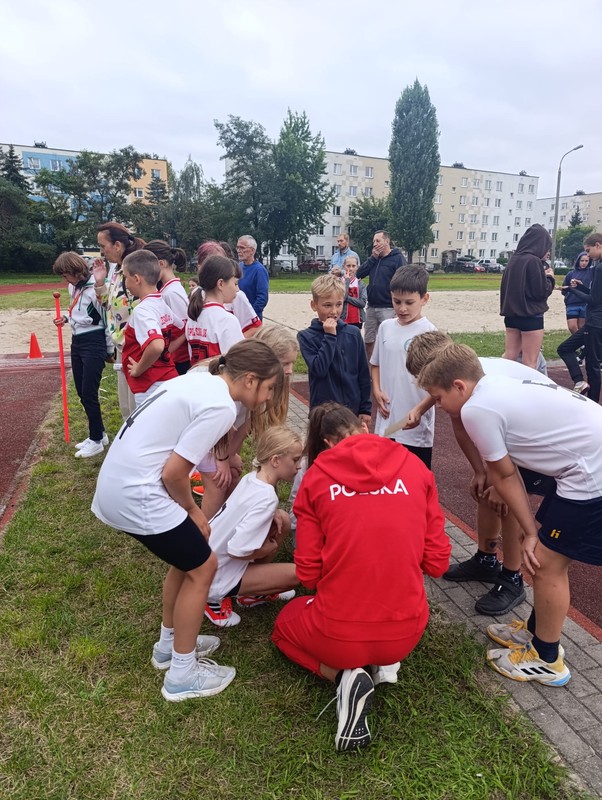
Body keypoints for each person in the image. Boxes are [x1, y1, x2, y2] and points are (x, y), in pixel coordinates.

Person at [91, 339, 284, 702]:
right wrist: (193, 512)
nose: (270, 398)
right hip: (138, 493)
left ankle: (169, 647)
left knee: (188, 561)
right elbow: (174, 473)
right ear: (249, 380)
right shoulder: (221, 406)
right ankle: (182, 674)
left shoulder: (198, 380)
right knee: (203, 565)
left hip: (119, 484)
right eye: (270, 388)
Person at [417, 343, 602, 686]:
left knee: (546, 564)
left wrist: (529, 532)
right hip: (584, 463)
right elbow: (506, 473)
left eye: (438, 398)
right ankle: (536, 632)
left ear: (459, 386)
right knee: (548, 558)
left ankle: (546, 659)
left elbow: (503, 475)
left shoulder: (476, 409)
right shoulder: (489, 378)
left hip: (591, 473)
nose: (437, 406)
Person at [272, 403, 451, 751]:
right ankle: (374, 666)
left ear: (326, 442)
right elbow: (439, 563)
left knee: (283, 627)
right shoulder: (415, 467)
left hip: (337, 631)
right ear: (364, 428)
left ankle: (344, 677)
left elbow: (308, 575)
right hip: (405, 631)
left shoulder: (316, 479)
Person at [405, 331, 556, 615]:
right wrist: (479, 471)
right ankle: (486, 559)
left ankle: (513, 577)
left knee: (507, 501)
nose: (431, 396)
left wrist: (498, 482)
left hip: (536, 438)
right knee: (487, 488)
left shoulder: (487, 390)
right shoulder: (463, 377)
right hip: (512, 430)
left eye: (433, 391)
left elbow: (508, 457)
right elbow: (460, 425)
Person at [204, 426, 302, 628]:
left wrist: (272, 515)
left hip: (208, 561)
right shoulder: (266, 497)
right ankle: (212, 600)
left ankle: (254, 593)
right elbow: (237, 550)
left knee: (282, 519)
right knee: (297, 574)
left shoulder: (252, 478)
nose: (299, 466)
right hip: (216, 576)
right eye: (295, 459)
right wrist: (267, 548)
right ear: (275, 460)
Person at [186, 255, 245, 520]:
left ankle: (226, 524)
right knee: (217, 483)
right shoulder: (226, 320)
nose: (237, 289)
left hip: (197, 399)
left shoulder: (195, 316)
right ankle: (207, 537)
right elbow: (239, 366)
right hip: (219, 406)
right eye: (235, 282)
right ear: (221, 284)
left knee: (229, 471)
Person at [370, 265, 436, 468]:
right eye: (396, 301)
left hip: (414, 428)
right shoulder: (386, 327)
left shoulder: (430, 333)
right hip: (387, 423)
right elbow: (376, 364)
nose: (402, 308)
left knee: (414, 482)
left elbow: (439, 386)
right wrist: (377, 390)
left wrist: (419, 409)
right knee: (384, 479)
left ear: (425, 299)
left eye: (409, 302)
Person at [52, 252, 113, 458]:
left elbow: (104, 318)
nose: (64, 280)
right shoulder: (73, 287)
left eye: (65, 275)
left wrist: (109, 348)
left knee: (89, 392)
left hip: (94, 342)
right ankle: (100, 433)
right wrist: (66, 318)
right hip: (77, 341)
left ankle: (96, 440)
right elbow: (80, 313)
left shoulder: (93, 290)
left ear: (75, 271)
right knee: (81, 391)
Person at [297, 274, 371, 426]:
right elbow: (319, 369)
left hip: (352, 410)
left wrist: (365, 408)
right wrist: (330, 336)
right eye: (327, 305)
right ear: (314, 305)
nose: (334, 311)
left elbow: (363, 373)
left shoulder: (353, 333)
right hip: (323, 413)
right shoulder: (306, 336)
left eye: (339, 304)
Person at [94, 222, 145, 419]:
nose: (101, 252)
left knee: (135, 405)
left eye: (102, 246)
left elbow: (141, 309)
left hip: (135, 348)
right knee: (125, 405)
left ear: (117, 245)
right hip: (122, 347)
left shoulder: (133, 272)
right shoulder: (117, 271)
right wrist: (100, 284)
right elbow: (113, 305)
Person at [121, 251, 182, 406]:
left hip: (150, 385)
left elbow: (156, 345)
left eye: (126, 277)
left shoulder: (143, 310)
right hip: (167, 378)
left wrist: (138, 369)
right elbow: (182, 330)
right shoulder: (160, 302)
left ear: (136, 279)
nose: (125, 283)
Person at [499, 224, 555, 369]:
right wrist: (549, 278)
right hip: (531, 316)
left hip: (511, 315)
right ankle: (526, 390)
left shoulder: (513, 260)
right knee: (529, 362)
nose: (547, 252)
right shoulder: (533, 261)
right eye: (546, 247)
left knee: (509, 356)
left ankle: (503, 385)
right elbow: (540, 292)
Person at [557, 235, 602, 400]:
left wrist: (571, 290)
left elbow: (594, 300)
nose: (588, 256)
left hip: (595, 323)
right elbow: (596, 295)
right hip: (596, 322)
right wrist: (581, 287)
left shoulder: (598, 268)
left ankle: (591, 400)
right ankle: (586, 391)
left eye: (589, 251)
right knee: (591, 362)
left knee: (592, 365)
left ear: (598, 245)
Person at [356, 230, 407, 359]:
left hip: (388, 306)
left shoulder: (397, 258)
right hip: (372, 306)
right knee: (369, 339)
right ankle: (369, 368)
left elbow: (403, 281)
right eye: (374, 241)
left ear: (387, 241)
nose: (375, 244)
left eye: (378, 241)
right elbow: (359, 274)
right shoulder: (374, 259)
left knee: (387, 340)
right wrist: (372, 258)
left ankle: (386, 364)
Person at [144, 240, 191, 375]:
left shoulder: (171, 293)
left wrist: (163, 353)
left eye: (147, 267)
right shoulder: (167, 289)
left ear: (161, 264)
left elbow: (184, 328)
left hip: (179, 361)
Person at [197, 241, 261, 337]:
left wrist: (234, 343)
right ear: (200, 267)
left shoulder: (236, 296)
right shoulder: (196, 295)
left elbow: (256, 327)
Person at [236, 235, 269, 320]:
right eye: (238, 248)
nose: (239, 251)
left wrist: (250, 314)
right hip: (237, 315)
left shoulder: (259, 270)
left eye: (242, 248)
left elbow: (262, 298)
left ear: (252, 250)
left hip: (252, 318)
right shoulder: (238, 267)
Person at [559, 251, 593, 334]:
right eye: (582, 261)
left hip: (585, 303)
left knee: (582, 327)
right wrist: (565, 289)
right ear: (578, 261)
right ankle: (579, 343)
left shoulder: (592, 272)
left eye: (586, 261)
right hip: (572, 303)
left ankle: (582, 345)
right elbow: (564, 289)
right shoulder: (571, 274)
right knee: (572, 327)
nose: (584, 263)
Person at [341, 255, 367, 329]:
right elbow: (342, 298)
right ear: (344, 266)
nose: (351, 268)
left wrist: (347, 298)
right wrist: (347, 281)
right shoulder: (339, 282)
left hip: (357, 319)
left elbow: (362, 303)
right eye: (348, 266)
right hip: (343, 318)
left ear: (357, 267)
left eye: (353, 266)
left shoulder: (361, 284)